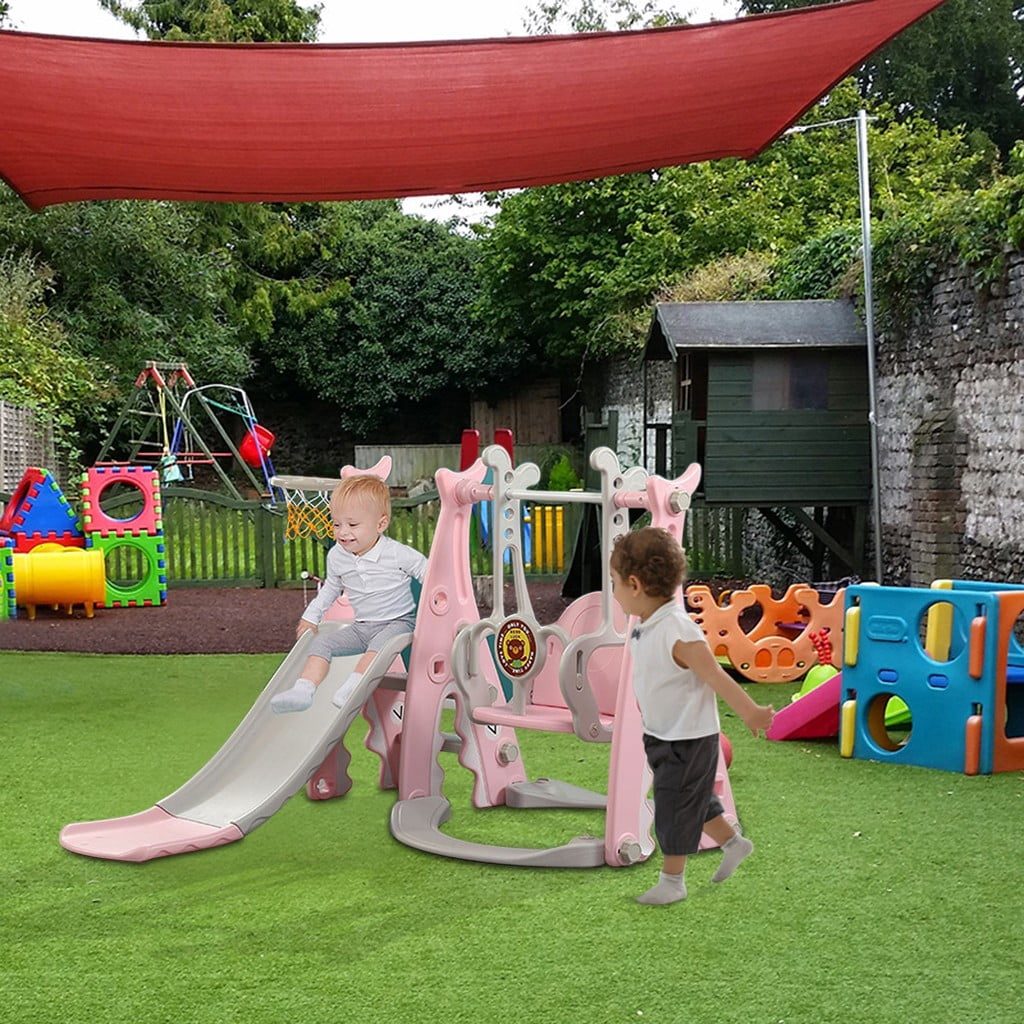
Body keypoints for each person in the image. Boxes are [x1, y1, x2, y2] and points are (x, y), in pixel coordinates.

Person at [609, 527, 774, 905]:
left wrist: (750, 712)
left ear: (634, 584)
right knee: (692, 800)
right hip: (663, 733)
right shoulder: (650, 623)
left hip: (687, 738)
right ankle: (734, 843)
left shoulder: (678, 630)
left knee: (671, 805)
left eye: (615, 583)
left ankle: (672, 880)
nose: (614, 593)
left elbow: (715, 675)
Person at [270, 474, 427, 714]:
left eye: (352, 525)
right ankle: (303, 689)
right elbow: (330, 589)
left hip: (397, 624)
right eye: (336, 524)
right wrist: (311, 617)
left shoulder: (397, 554)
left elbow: (429, 573)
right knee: (322, 642)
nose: (343, 532)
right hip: (361, 627)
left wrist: (435, 609)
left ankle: (354, 685)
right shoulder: (338, 556)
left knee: (379, 643)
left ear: (381, 524)